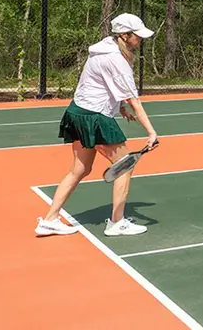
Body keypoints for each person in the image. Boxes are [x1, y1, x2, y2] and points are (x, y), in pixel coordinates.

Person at [35, 13, 159, 237]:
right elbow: (134, 100)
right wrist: (151, 132)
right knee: (125, 165)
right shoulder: (116, 59)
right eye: (137, 36)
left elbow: (102, 84)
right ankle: (117, 222)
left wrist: (119, 107)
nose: (140, 40)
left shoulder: (103, 50)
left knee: (80, 169)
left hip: (77, 112)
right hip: (94, 117)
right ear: (124, 35)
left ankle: (49, 220)